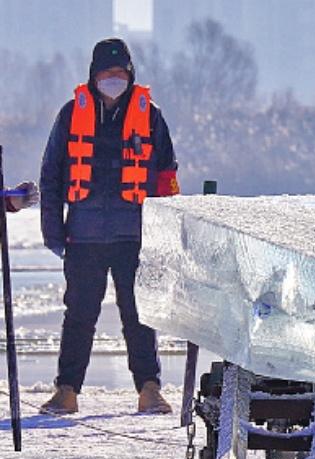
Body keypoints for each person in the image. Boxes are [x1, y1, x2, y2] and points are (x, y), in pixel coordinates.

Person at [38, 38, 179, 416]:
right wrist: (53, 231)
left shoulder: (150, 115)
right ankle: (66, 391)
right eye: (106, 73)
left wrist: (164, 234)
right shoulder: (71, 114)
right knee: (79, 314)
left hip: (135, 235)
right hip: (82, 235)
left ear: (130, 76)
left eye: (120, 73)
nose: (113, 79)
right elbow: (51, 174)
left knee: (139, 313)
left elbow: (166, 175)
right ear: (93, 75)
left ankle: (149, 388)